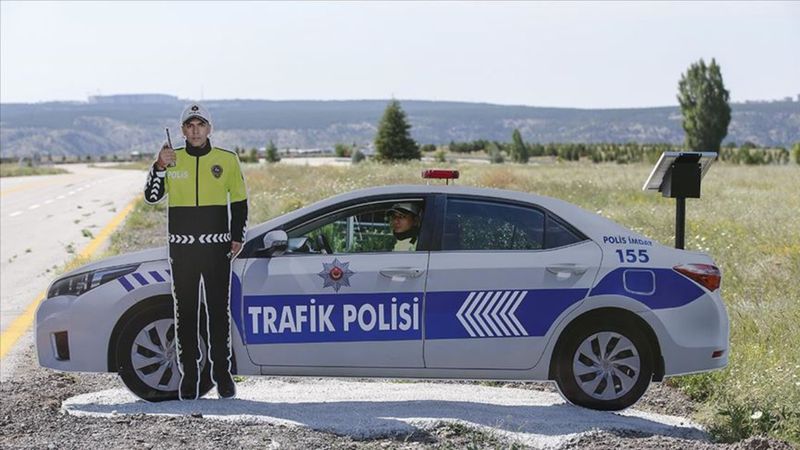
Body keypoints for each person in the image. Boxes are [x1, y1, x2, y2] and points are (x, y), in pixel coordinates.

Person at [143, 103, 248, 400]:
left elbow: (239, 201)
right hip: (183, 250)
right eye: (189, 126)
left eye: (200, 125)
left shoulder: (227, 160)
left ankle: (222, 374)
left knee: (218, 313)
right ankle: (189, 374)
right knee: (186, 314)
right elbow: (152, 197)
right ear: (182, 131)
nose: (195, 130)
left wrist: (237, 235)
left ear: (209, 129)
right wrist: (159, 167)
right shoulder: (172, 159)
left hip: (217, 249)